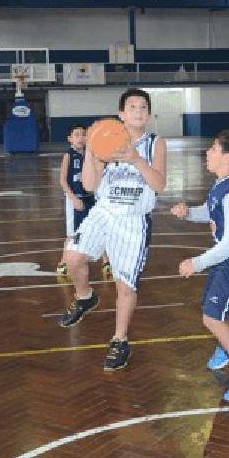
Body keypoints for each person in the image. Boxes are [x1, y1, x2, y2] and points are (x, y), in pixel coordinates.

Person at [59, 88, 167, 371]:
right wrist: (94, 155)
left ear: (149, 114)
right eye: (132, 107)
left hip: (133, 219)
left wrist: (135, 159)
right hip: (103, 212)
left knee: (125, 285)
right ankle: (85, 297)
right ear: (121, 114)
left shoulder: (155, 143)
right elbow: (90, 187)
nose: (138, 111)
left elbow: (158, 185)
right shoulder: (103, 139)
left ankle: (119, 340)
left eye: (143, 107)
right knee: (72, 257)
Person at [171, 131, 229, 401]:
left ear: (227, 156)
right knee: (212, 310)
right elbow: (210, 211)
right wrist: (189, 212)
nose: (207, 153)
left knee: (212, 316)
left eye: (213, 148)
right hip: (228, 260)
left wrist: (198, 262)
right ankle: (228, 346)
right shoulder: (222, 184)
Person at [56, 124, 110, 277]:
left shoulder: (91, 155)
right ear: (70, 139)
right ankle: (63, 263)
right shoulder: (68, 156)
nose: (80, 138)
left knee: (100, 230)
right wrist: (73, 199)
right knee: (73, 235)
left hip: (91, 199)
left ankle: (106, 262)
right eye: (76, 134)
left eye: (83, 134)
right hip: (76, 199)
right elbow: (62, 181)